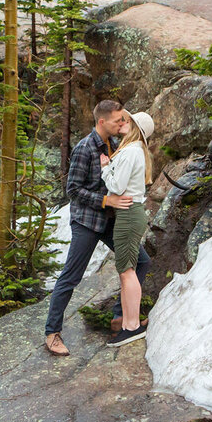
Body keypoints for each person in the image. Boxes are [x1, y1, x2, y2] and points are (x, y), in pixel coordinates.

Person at [43, 100, 152, 356]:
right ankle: (52, 333)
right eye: (117, 121)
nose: (122, 124)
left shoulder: (115, 144)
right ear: (102, 122)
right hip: (87, 222)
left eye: (123, 120)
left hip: (110, 220)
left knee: (143, 262)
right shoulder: (84, 148)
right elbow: (73, 190)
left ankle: (120, 318)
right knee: (71, 276)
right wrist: (106, 200)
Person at [100, 111, 154, 347]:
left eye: (127, 121)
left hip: (128, 214)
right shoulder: (135, 150)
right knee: (126, 270)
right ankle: (127, 324)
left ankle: (131, 327)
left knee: (127, 271)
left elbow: (117, 186)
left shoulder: (131, 150)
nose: (122, 122)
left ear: (134, 127)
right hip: (131, 214)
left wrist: (105, 168)